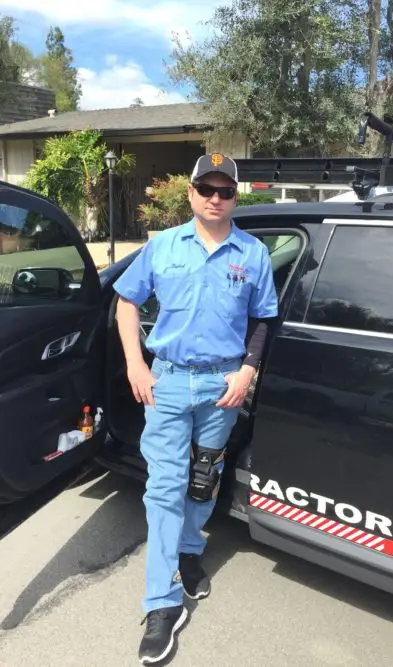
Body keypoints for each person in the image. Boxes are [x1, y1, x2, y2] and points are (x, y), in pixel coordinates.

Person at [112, 153, 278, 664]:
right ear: (190, 194)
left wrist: (247, 370)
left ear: (234, 197)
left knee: (203, 482)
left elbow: (263, 319)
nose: (215, 197)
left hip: (221, 387)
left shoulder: (252, 254)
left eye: (225, 190)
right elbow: (125, 302)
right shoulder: (162, 246)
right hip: (166, 383)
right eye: (206, 188)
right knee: (164, 488)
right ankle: (162, 604)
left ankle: (188, 550)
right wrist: (135, 364)